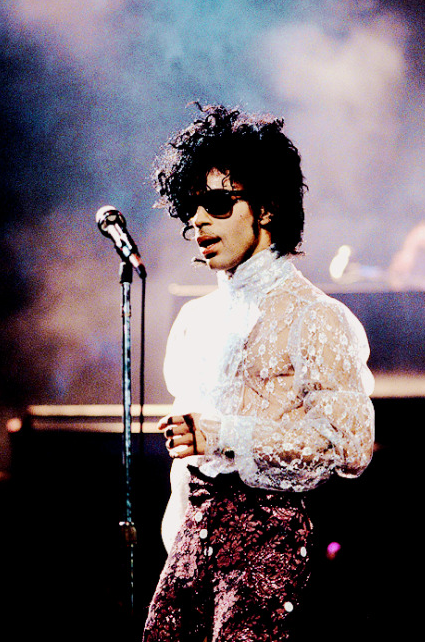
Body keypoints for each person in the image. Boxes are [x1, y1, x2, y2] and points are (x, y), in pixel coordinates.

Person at [142, 104, 375, 642]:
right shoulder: (193, 322)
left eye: (218, 204)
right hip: (189, 552)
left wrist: (223, 434)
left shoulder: (316, 318)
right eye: (192, 207)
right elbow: (187, 470)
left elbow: (350, 444)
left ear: (266, 207)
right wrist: (179, 542)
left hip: (268, 553)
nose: (198, 220)